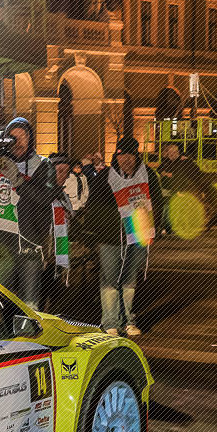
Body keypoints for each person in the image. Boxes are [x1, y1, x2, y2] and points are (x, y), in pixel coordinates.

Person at [0, 117, 59, 307]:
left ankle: (29, 327)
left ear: (31, 139)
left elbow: (45, 198)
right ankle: (6, 327)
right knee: (1, 300)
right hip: (1, 241)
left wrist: (18, 181)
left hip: (30, 241)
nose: (18, 142)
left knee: (30, 301)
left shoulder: (43, 164)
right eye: (13, 137)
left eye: (23, 137)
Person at [80, 137, 160, 336]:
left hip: (137, 236)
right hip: (111, 238)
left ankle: (128, 321)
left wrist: (154, 227)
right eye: (122, 155)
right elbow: (93, 206)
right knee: (110, 280)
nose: (126, 159)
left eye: (130, 154)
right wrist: (93, 233)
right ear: (116, 156)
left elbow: (157, 202)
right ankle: (110, 322)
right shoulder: (105, 177)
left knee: (129, 281)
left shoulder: (147, 175)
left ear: (136, 156)